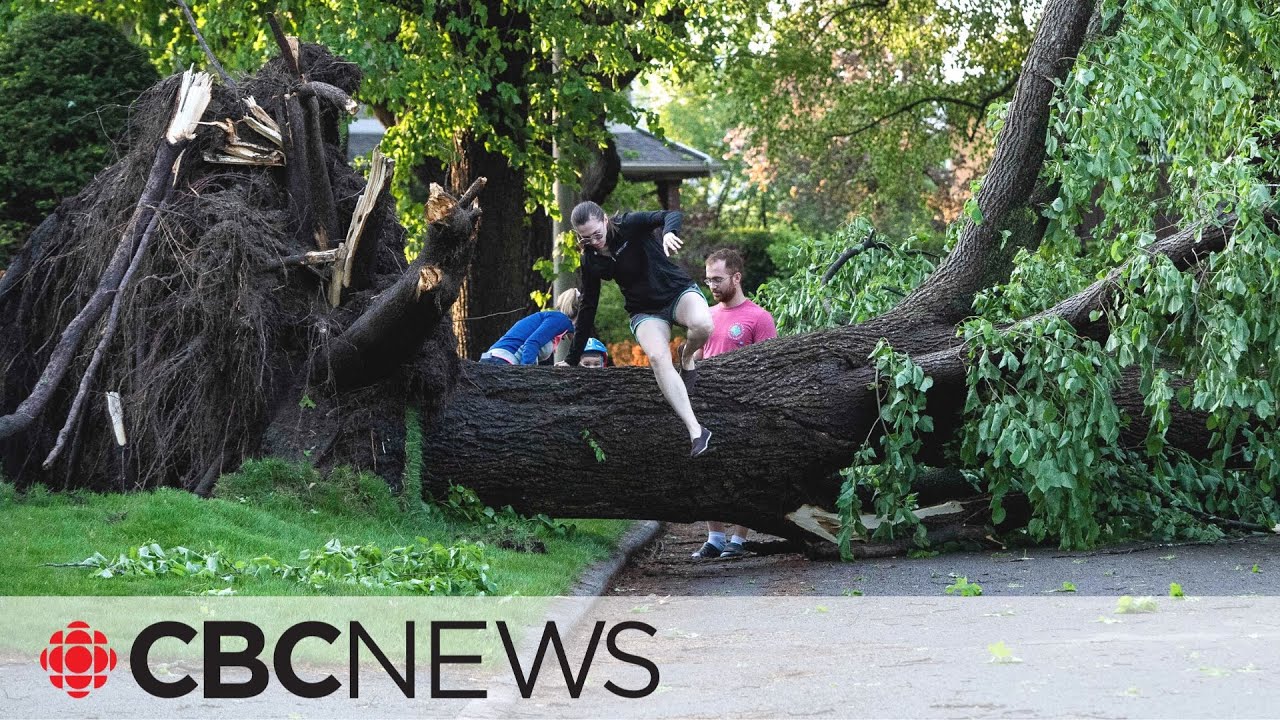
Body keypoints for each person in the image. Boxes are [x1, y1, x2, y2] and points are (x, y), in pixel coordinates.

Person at [566, 201, 715, 458]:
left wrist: (669, 232)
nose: (594, 241)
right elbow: (588, 307)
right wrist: (571, 359)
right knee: (657, 357)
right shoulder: (589, 259)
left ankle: (687, 355)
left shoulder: (629, 225)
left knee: (703, 325)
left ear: (604, 220)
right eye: (586, 238)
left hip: (677, 291)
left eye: (597, 234)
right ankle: (696, 431)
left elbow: (670, 214)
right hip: (645, 311)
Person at [690, 248, 778, 559]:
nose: (711, 285)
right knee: (708, 471)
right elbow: (695, 358)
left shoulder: (759, 318)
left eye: (717, 279)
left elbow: (772, 366)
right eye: (707, 279)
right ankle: (714, 538)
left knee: (744, 474)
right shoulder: (706, 316)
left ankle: (738, 541)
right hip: (709, 407)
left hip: (746, 410)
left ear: (736, 278)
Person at [480, 288, 580, 366]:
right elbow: (532, 344)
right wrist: (527, 374)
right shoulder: (560, 319)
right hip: (501, 361)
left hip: (494, 359)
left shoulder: (553, 319)